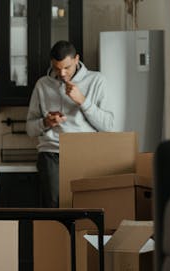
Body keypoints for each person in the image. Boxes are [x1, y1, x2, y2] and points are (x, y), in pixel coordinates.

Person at [26, 40, 114, 208]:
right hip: (51, 154)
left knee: (87, 208)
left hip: (87, 153)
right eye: (57, 69)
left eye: (67, 67)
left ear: (76, 59)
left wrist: (82, 100)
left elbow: (108, 126)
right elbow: (30, 129)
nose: (63, 73)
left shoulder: (97, 80)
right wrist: (46, 122)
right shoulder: (42, 85)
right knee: (54, 210)